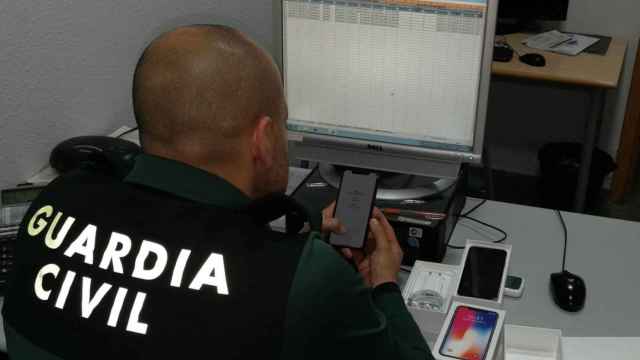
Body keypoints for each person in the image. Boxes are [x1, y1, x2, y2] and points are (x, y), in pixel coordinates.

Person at [3, 25, 432, 359]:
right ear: (262, 139)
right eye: (283, 124)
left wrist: (296, 249)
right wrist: (383, 286)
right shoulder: (307, 282)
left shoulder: (55, 201)